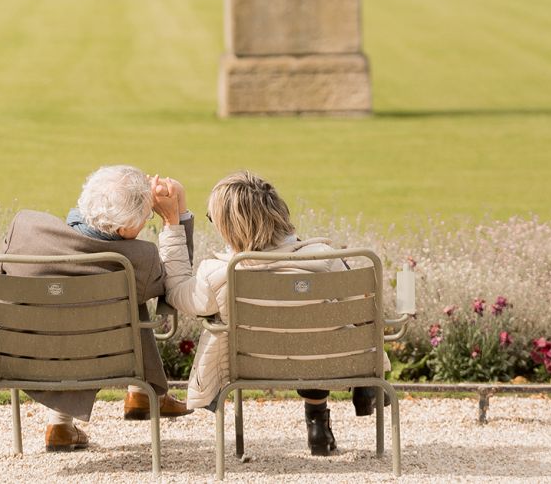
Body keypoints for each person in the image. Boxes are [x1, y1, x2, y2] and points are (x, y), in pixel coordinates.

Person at [156, 171, 382, 457]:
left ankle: (317, 420)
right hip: (325, 364)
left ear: (229, 226)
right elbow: (366, 313)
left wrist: (173, 223)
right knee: (311, 335)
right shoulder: (325, 260)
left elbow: (177, 293)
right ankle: (318, 423)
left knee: (300, 337)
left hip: (248, 368)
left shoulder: (220, 274)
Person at [0, 165, 193, 453]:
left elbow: (77, 240)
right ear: (126, 229)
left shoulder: (25, 227)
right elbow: (177, 286)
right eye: (146, 216)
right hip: (99, 356)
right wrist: (176, 216)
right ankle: (144, 391)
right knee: (120, 294)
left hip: (27, 356)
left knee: (72, 300)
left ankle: (60, 424)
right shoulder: (139, 260)